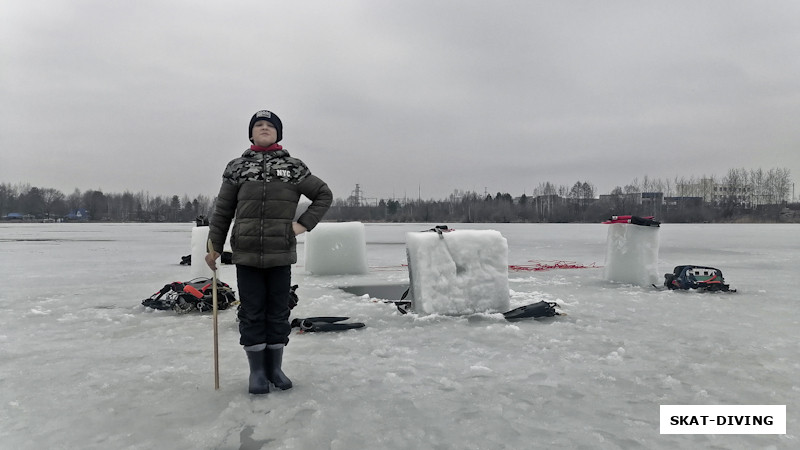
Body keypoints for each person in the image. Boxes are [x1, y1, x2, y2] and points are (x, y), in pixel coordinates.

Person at [206, 109, 332, 394]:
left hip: (280, 253)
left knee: (277, 311)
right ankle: (257, 372)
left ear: (278, 133)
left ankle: (275, 368)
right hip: (247, 254)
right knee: (251, 313)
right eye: (258, 125)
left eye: (270, 125)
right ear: (251, 133)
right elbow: (223, 210)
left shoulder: (294, 168)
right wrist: (213, 247)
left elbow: (324, 195)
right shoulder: (236, 167)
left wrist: (301, 225)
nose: (264, 128)